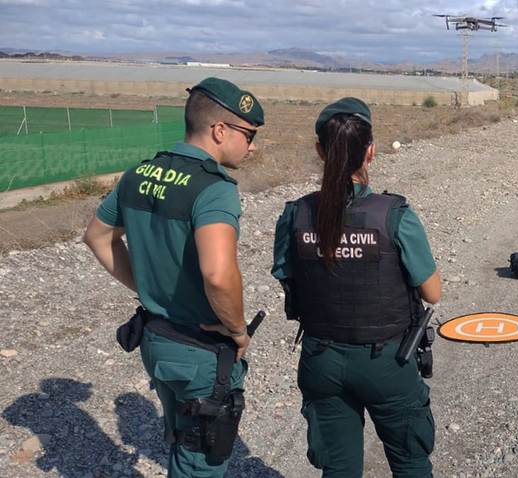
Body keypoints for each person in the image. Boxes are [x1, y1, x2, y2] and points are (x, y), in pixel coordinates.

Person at [83, 77, 264, 477]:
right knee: (203, 460)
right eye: (249, 135)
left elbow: (97, 237)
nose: (253, 146)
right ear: (220, 130)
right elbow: (218, 274)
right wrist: (237, 329)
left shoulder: (139, 173)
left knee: (183, 442)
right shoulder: (214, 189)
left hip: (156, 339)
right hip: (201, 349)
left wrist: (148, 287)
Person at [271, 97, 441, 477]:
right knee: (411, 462)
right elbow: (432, 293)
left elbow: (287, 276)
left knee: (339, 469)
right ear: (371, 151)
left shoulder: (295, 214)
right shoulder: (394, 215)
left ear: (320, 151)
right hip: (387, 362)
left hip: (321, 359)